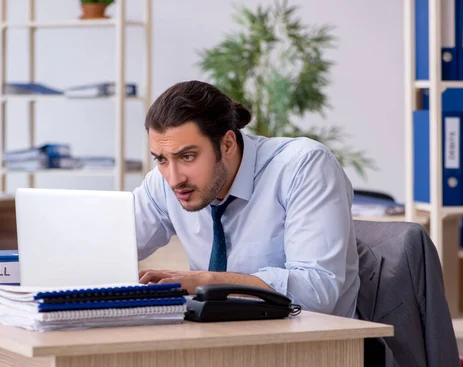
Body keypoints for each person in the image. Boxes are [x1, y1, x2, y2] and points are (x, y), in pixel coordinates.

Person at [135, 80, 360, 317]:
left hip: (315, 346)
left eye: (188, 156)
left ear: (227, 144)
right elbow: (110, 247)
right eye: (161, 159)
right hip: (218, 342)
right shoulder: (164, 183)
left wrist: (208, 281)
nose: (173, 179)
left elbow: (317, 292)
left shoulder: (304, 166)